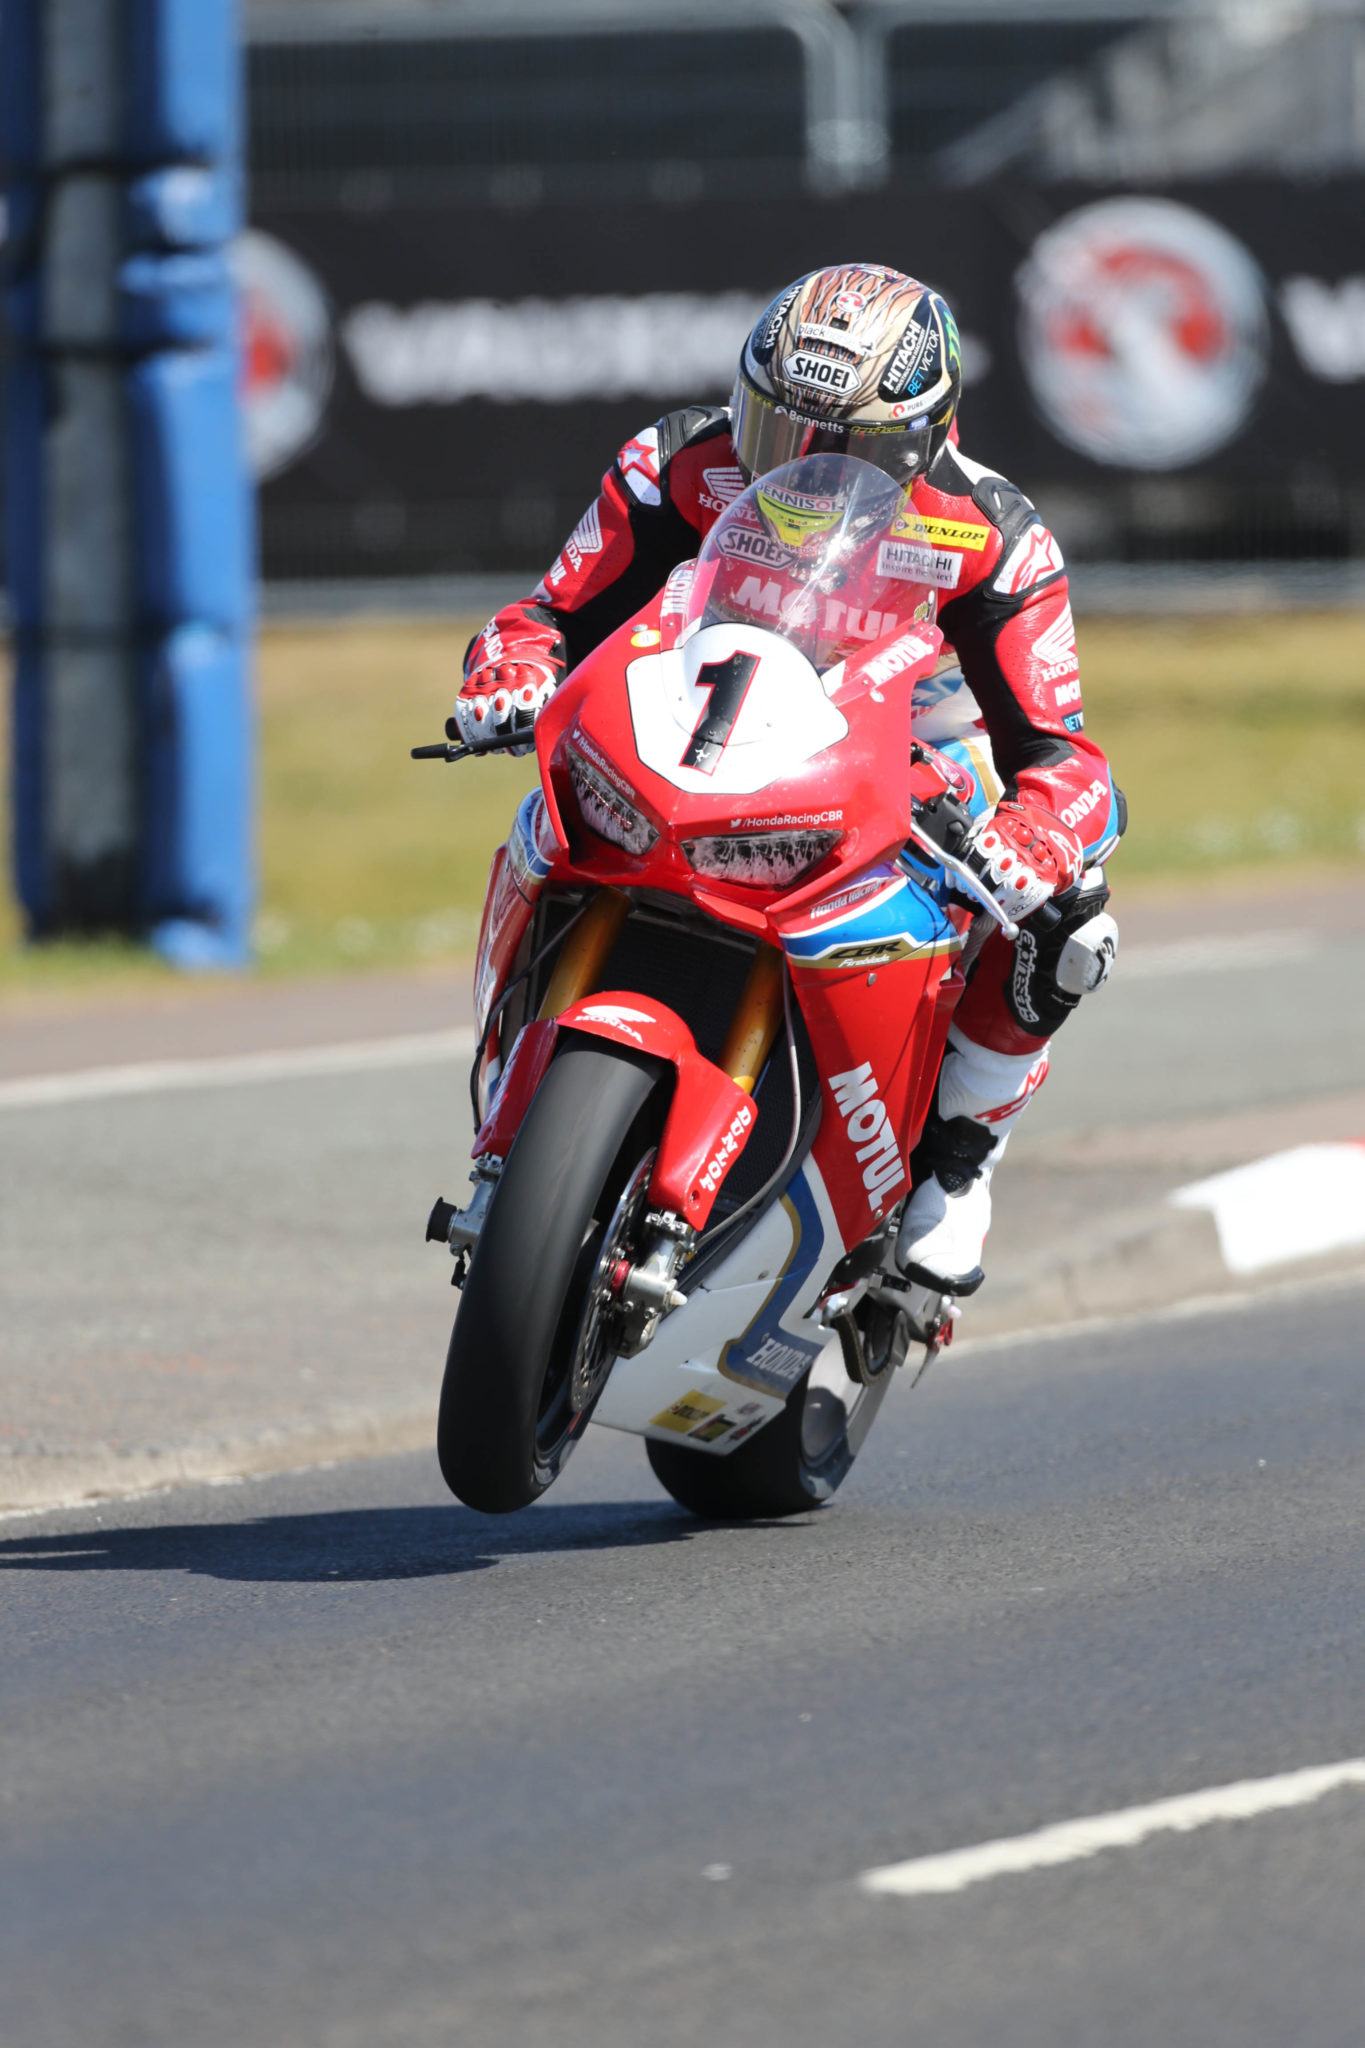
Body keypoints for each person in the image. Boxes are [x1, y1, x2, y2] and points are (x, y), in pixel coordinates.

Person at [451, 263, 1122, 1301]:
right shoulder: (672, 461)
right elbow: (549, 613)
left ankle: (955, 1163)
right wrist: (512, 670)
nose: (803, 469)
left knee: (1071, 921)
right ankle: (525, 1060)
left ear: (926, 435)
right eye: (777, 429)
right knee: (548, 806)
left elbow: (1063, 754)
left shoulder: (997, 536)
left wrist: (1034, 831)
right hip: (697, 710)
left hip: (909, 758)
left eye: (846, 448)